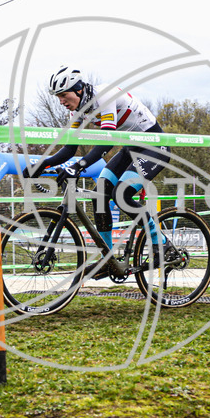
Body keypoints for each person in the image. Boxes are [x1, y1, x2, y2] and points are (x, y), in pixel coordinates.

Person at [22, 67, 172, 271]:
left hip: (154, 146)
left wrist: (79, 166)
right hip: (131, 147)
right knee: (99, 194)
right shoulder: (77, 113)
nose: (61, 102)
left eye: (63, 95)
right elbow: (68, 149)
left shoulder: (105, 96)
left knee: (122, 194)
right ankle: (108, 258)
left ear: (79, 90)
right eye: (58, 97)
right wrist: (41, 165)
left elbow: (107, 142)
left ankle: (160, 244)